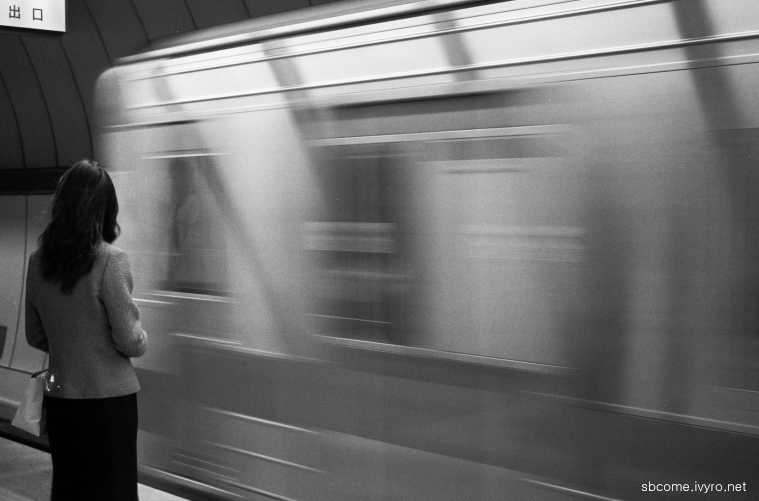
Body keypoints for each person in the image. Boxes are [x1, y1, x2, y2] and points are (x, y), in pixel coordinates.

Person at [25, 159, 148, 501]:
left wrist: (69, 344)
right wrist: (142, 338)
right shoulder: (111, 260)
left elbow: (34, 335)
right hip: (109, 405)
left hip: (60, 398)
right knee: (112, 491)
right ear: (105, 209)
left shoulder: (37, 261)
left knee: (70, 488)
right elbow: (130, 340)